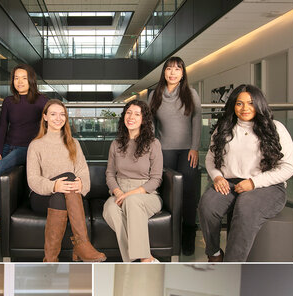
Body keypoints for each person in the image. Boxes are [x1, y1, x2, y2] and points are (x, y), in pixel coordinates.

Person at [197, 84, 293, 262]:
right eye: (239, 104)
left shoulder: (276, 128)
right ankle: (214, 254)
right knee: (207, 206)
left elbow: (288, 167)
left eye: (250, 103)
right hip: (230, 182)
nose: (245, 108)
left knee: (246, 207)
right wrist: (217, 176)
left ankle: (232, 267)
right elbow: (210, 159)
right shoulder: (223, 128)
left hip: (268, 186)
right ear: (233, 106)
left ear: (259, 104)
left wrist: (254, 183)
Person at [26, 99, 106, 262]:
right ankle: (82, 244)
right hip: (41, 197)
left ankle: (50, 259)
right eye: (53, 114)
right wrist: (55, 185)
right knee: (67, 179)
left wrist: (81, 184)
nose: (58, 118)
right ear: (45, 117)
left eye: (62, 114)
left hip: (68, 197)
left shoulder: (73, 143)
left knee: (62, 194)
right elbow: (33, 179)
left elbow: (83, 172)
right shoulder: (36, 145)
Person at [0, 64, 48, 245]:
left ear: (31, 80)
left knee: (0, 170)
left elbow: (49, 126)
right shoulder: (9, 101)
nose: (19, 81)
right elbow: (3, 128)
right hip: (8, 147)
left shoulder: (41, 101)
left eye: (24, 78)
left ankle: (0, 220)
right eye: (16, 78)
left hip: (27, 149)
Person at [148, 56, 203, 256]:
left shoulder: (191, 93)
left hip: (187, 151)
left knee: (188, 192)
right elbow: (151, 123)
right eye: (169, 69)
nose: (173, 73)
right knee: (167, 192)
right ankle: (169, 233)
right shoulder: (154, 95)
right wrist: (152, 148)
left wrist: (195, 147)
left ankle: (188, 233)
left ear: (182, 73)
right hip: (163, 150)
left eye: (177, 69)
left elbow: (197, 120)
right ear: (164, 72)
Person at [103, 101, 164, 262]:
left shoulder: (153, 144)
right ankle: (136, 260)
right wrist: (118, 192)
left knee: (132, 202)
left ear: (144, 119)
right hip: (120, 192)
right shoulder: (115, 144)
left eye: (137, 114)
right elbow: (110, 174)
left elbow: (156, 178)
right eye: (129, 113)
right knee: (110, 209)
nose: (131, 117)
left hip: (146, 194)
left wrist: (131, 194)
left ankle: (144, 259)